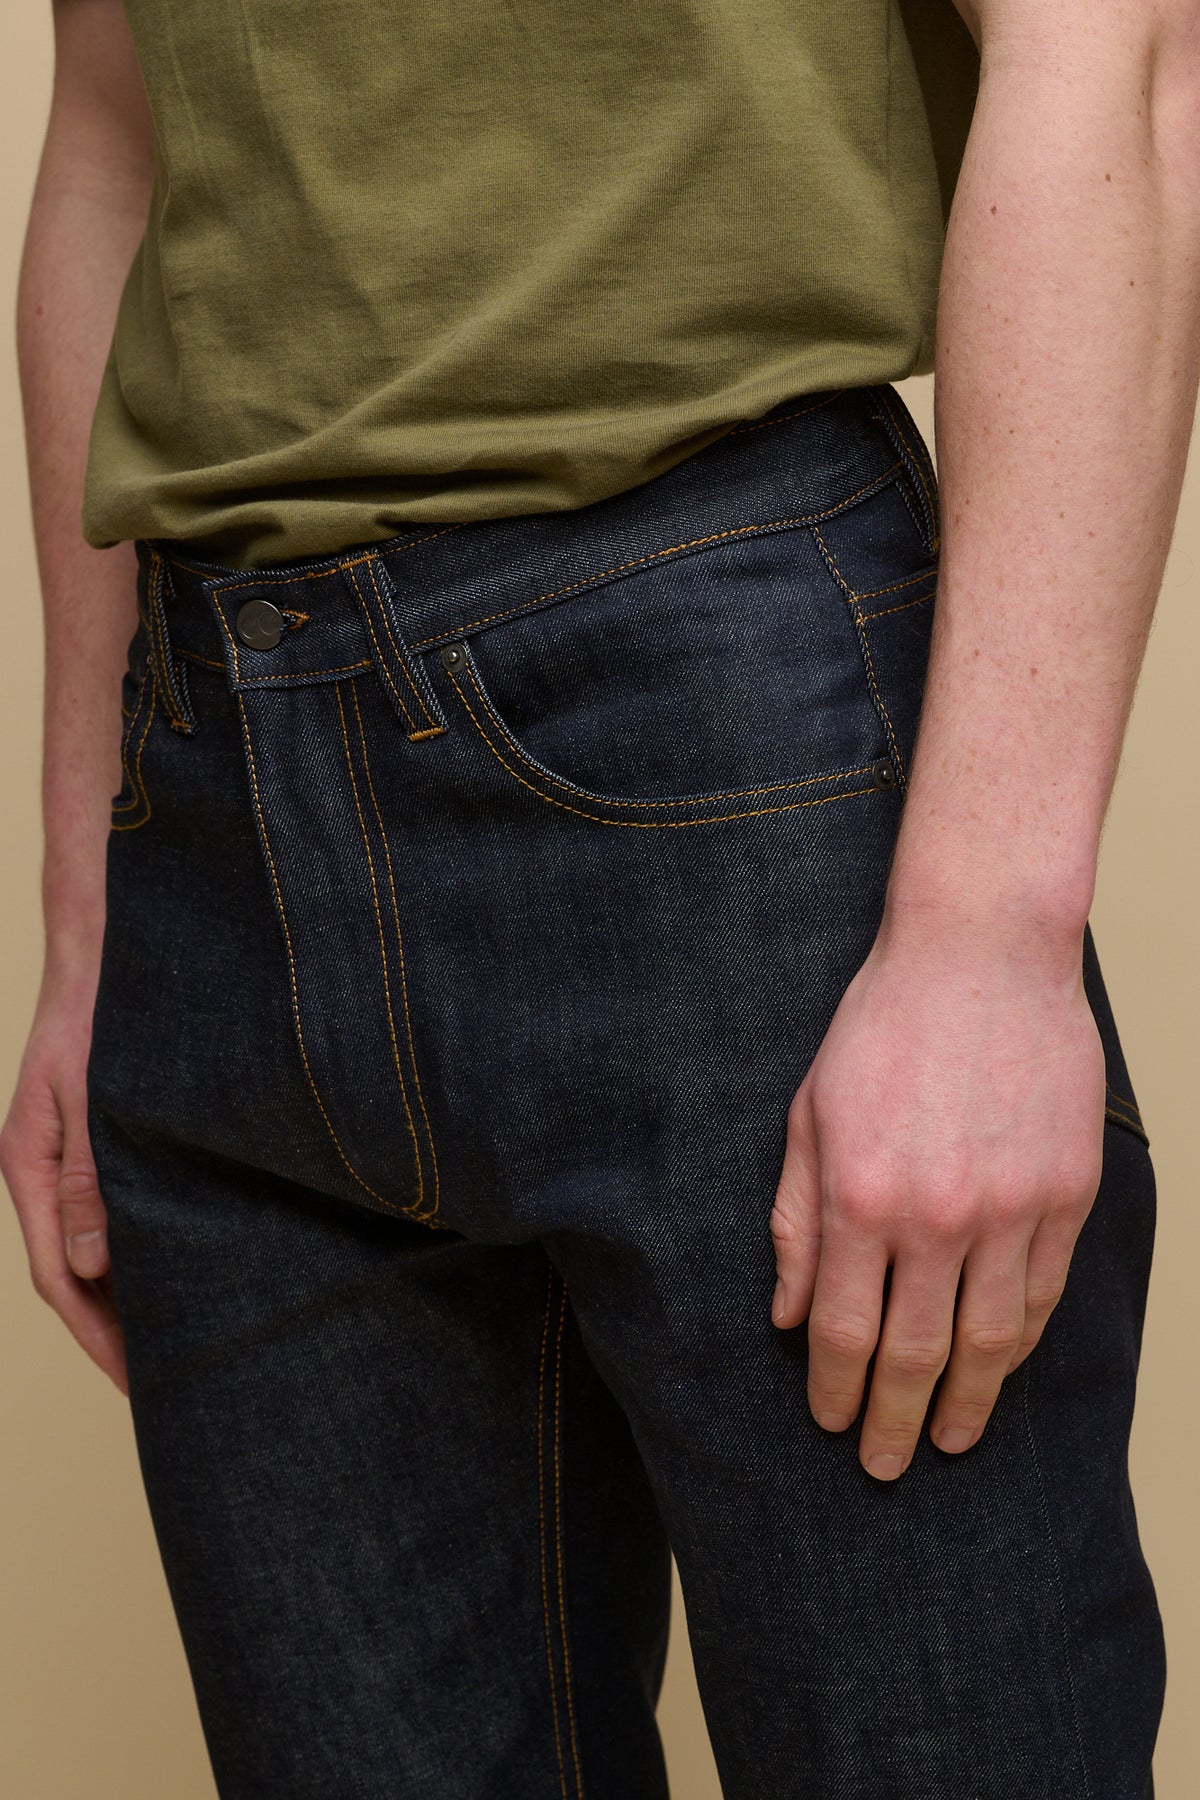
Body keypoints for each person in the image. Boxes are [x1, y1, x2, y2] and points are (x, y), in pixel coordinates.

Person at [2, 0, 1195, 1792]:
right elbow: (114, 134)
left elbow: (1110, 49)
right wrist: (90, 903)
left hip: (725, 748)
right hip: (214, 772)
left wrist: (989, 938)